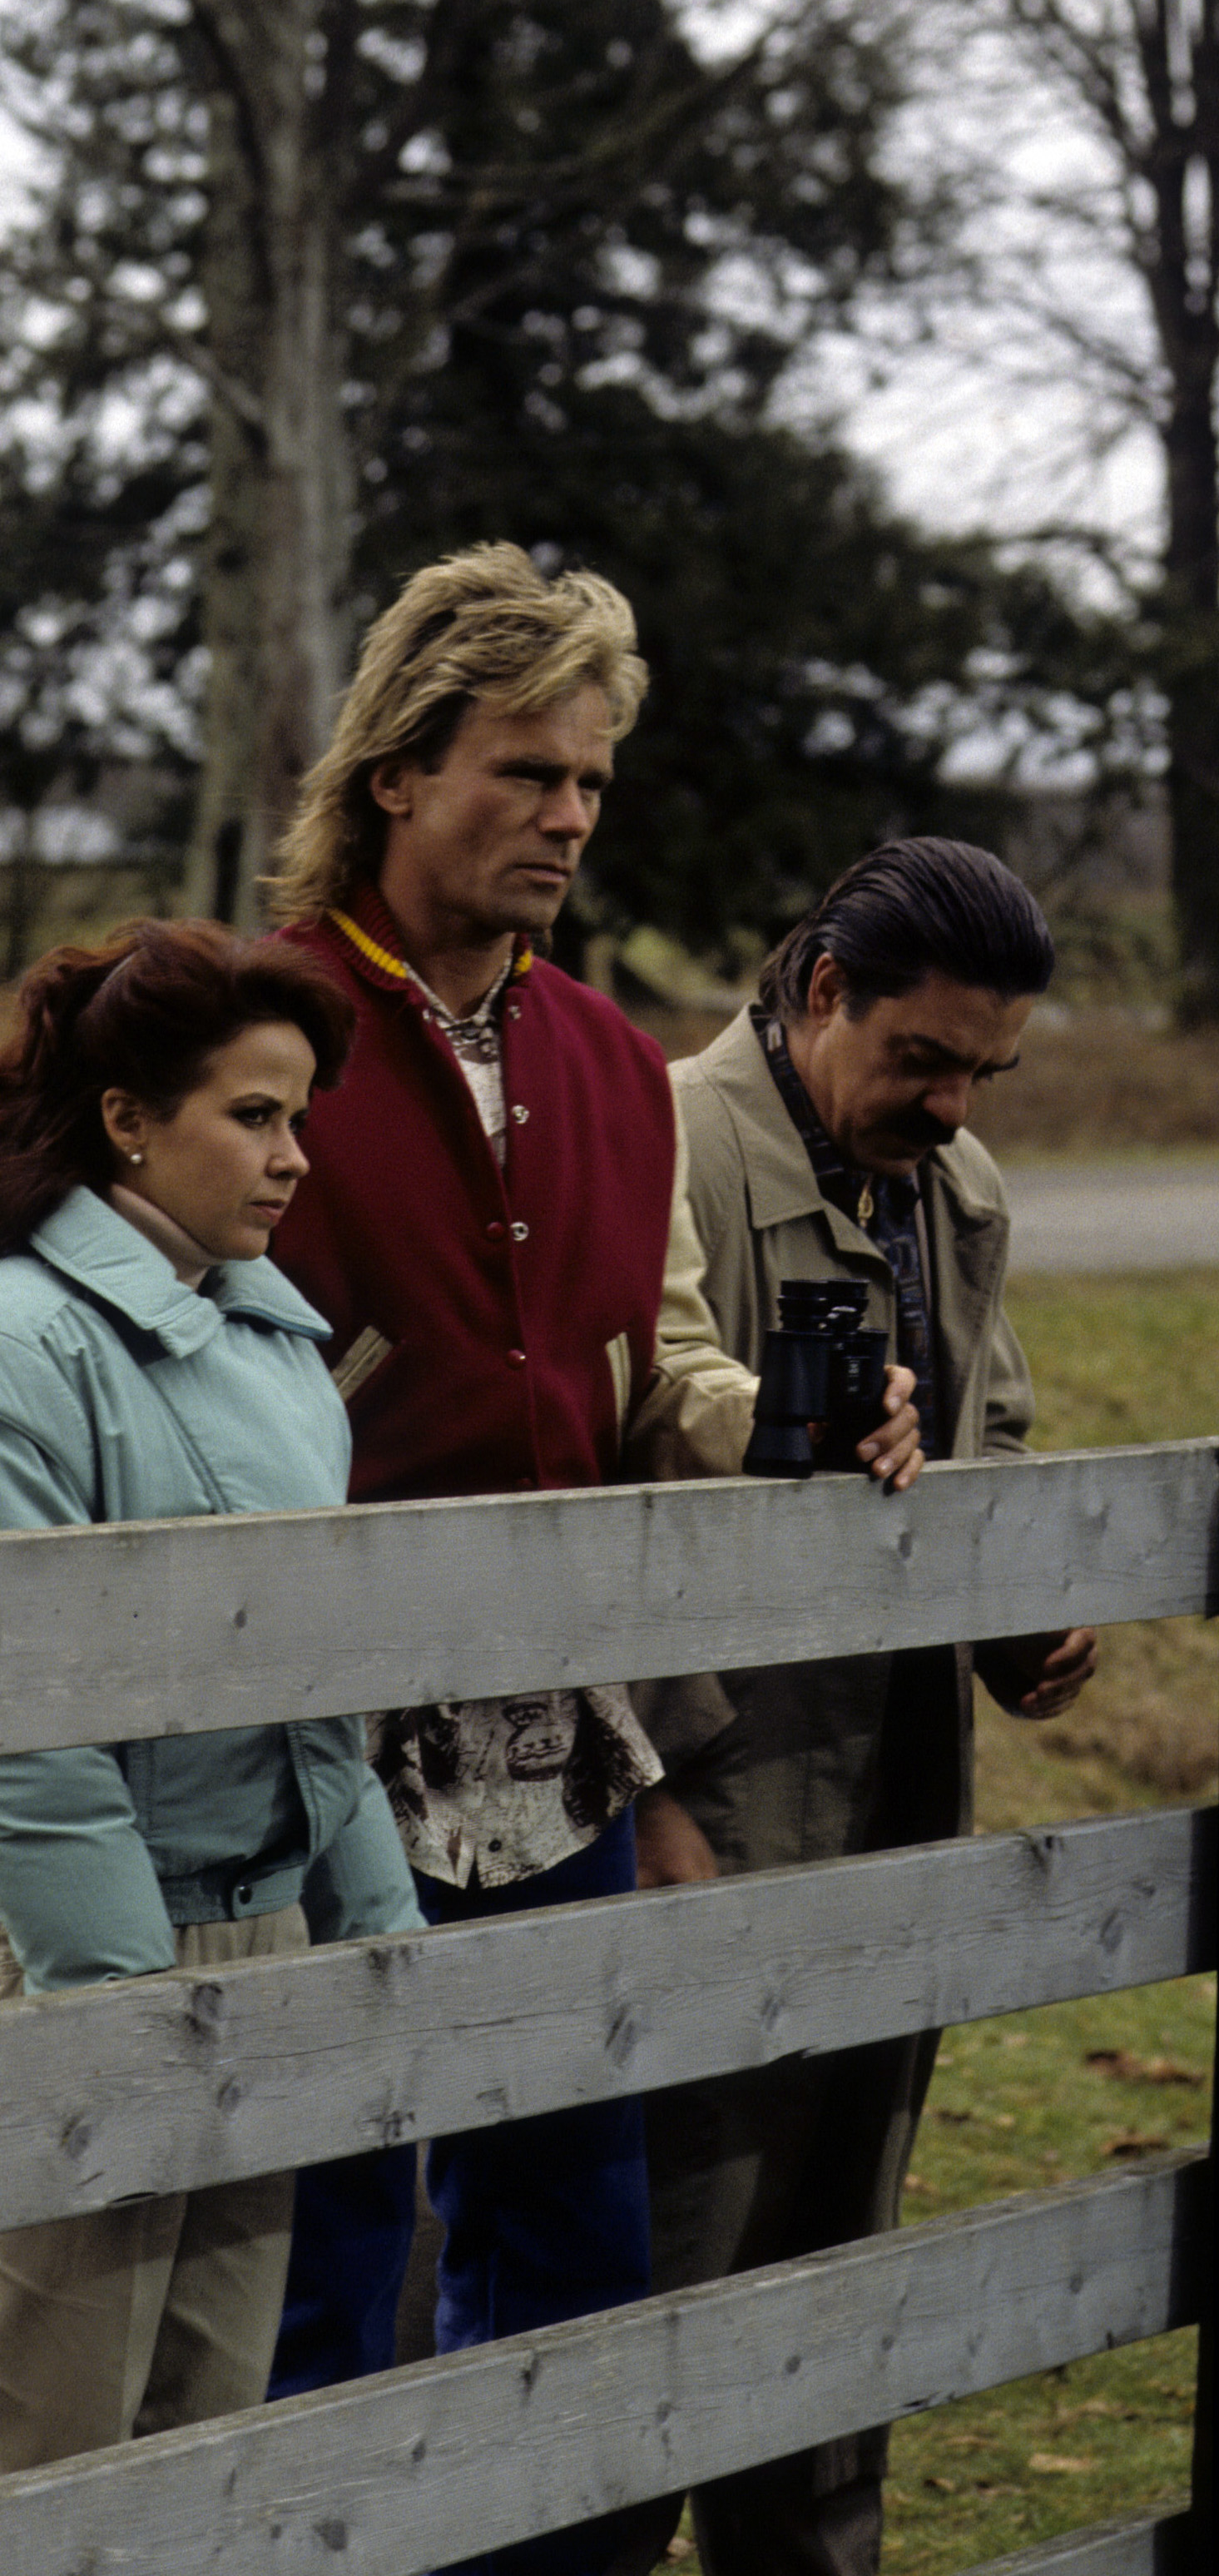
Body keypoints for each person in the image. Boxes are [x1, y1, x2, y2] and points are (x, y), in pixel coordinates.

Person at [257, 543, 919, 2574]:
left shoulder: (615, 1068)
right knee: (333, 2268)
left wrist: (798, 1423)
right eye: (526, 771)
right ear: (396, 772)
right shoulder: (248, 1025)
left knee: (572, 2246)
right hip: (297, 1766)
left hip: (559, 1762)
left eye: (592, 784)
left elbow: (669, 1369)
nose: (566, 816)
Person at [0, 920, 423, 2505]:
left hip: (253, 1936)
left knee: (200, 2449)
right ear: (127, 1118)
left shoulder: (268, 1329)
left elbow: (316, 1672)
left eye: (300, 1116)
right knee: (28, 2464)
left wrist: (364, 1930)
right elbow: (15, 1741)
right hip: (69, 1960)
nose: (294, 1157)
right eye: (253, 1114)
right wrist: (127, 2020)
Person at [608, 838, 1098, 2576]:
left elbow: (993, 1441)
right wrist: (644, 1787)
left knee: (840, 2253)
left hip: (894, 1784)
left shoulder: (953, 1191)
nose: (956, 1104)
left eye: (985, 1071)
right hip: (709, 1788)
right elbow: (603, 1461)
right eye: (923, 1060)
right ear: (826, 990)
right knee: (655, 2265)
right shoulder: (658, 1138)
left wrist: (1019, 1618)